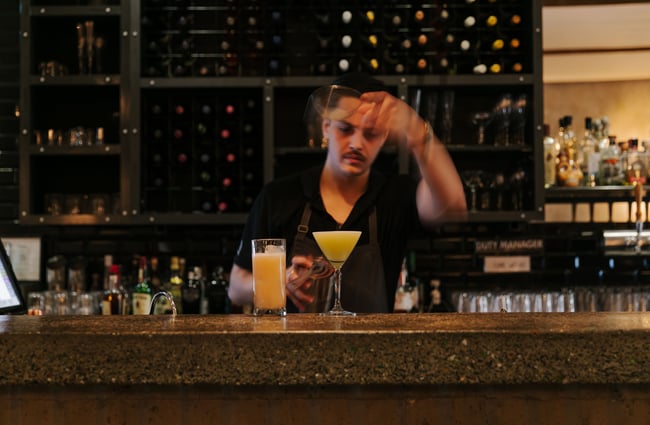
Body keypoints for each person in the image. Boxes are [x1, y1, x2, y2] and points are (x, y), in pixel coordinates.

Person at [228, 72, 467, 313]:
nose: (356, 144)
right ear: (326, 128)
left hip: (375, 348)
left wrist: (417, 133)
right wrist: (279, 282)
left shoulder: (396, 196)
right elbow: (236, 288)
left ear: (384, 137)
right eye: (345, 129)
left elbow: (452, 205)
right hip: (294, 348)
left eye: (370, 133)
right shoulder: (279, 196)